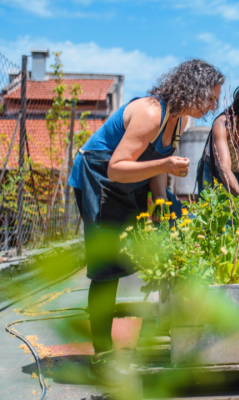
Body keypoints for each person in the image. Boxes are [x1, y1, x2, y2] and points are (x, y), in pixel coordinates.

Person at [67, 59, 224, 385]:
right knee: (106, 268)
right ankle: (103, 355)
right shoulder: (152, 112)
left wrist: (165, 207)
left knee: (166, 233)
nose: (214, 105)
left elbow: (155, 171)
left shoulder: (178, 122)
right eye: (211, 97)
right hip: (100, 179)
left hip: (128, 184)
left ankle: (170, 327)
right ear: (193, 88)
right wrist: (167, 164)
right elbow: (116, 167)